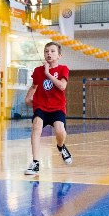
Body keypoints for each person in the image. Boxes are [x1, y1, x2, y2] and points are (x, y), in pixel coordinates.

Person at [24, 42, 73, 175]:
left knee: (60, 131)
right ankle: (35, 163)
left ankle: (61, 147)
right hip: (41, 106)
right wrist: (28, 98)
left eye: (52, 51)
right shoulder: (38, 71)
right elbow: (34, 86)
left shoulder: (63, 69)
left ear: (59, 55)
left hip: (57, 107)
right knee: (36, 127)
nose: (49, 53)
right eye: (46, 51)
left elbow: (62, 86)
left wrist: (48, 73)